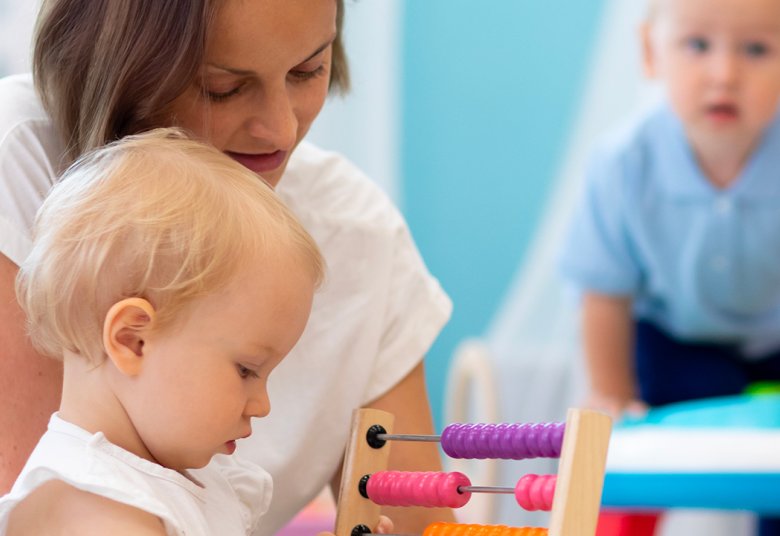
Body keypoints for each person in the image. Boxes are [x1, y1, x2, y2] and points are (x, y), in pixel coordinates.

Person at [0, 0, 453, 533]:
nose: (281, 129)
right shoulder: (93, 500)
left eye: (308, 69)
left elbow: (420, 520)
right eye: (223, 87)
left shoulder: (360, 233)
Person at [0, 128, 327, 534]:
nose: (262, 405)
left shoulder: (162, 482)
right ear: (132, 340)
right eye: (246, 370)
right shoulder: (89, 507)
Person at [560, 0, 780, 533]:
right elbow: (604, 292)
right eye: (697, 45)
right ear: (650, 52)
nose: (724, 75)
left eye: (756, 49)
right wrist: (612, 390)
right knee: (639, 440)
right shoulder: (623, 162)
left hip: (773, 338)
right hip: (674, 336)